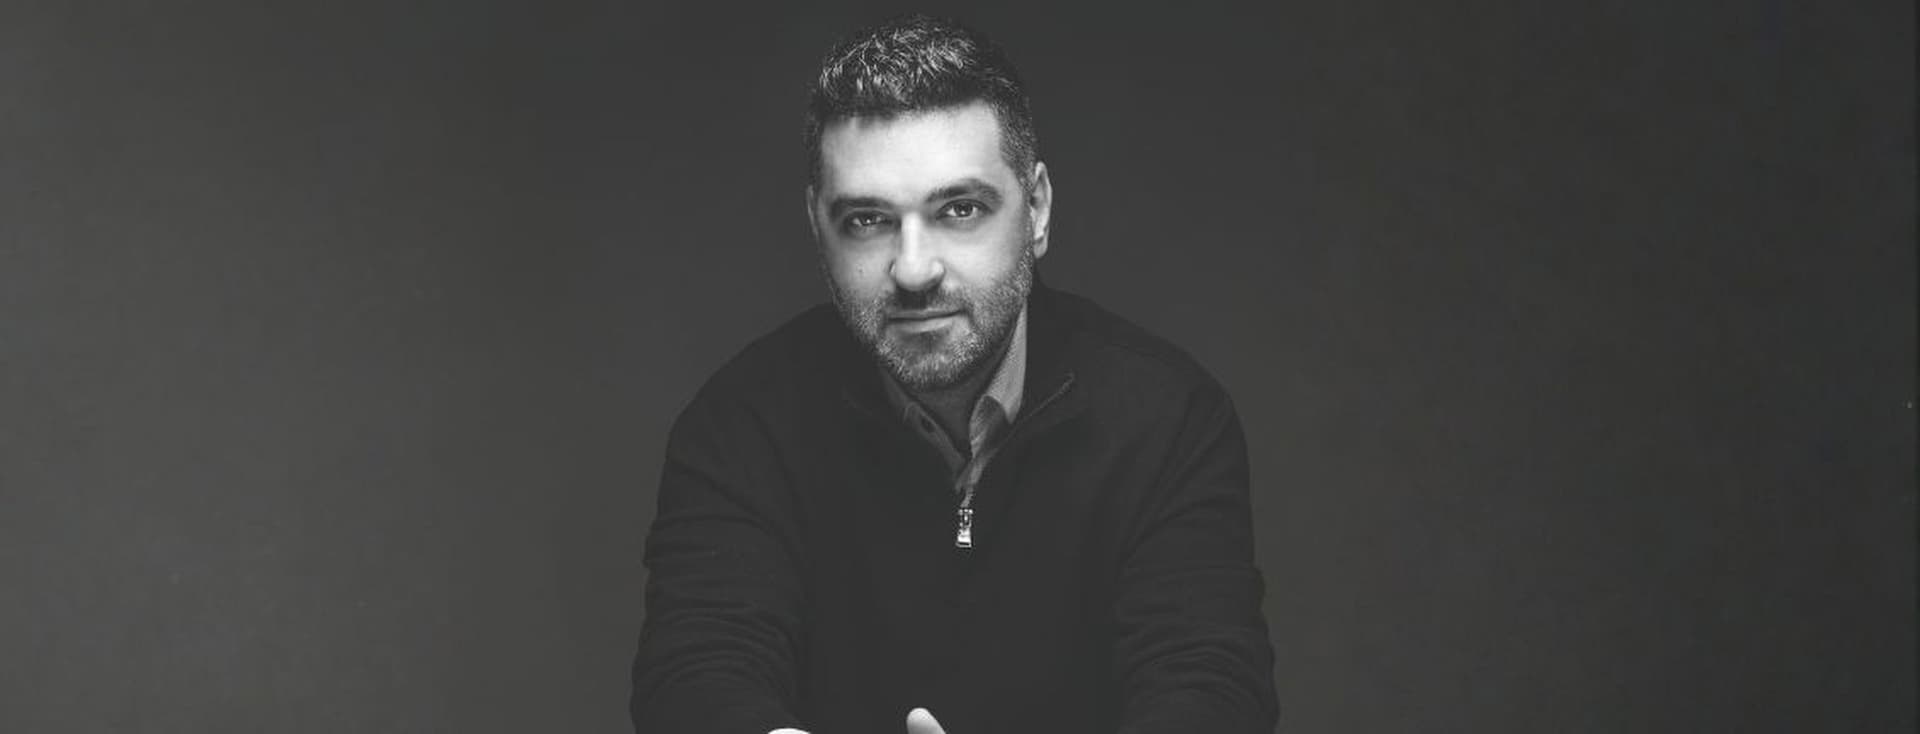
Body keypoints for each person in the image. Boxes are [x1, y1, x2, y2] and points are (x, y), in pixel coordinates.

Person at [629, 14, 1278, 734]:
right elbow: (697, 675)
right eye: (868, 220)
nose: (914, 270)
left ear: (1036, 210)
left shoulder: (1168, 418)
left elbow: (1208, 685)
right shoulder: (742, 423)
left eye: (960, 210)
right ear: (817, 226)